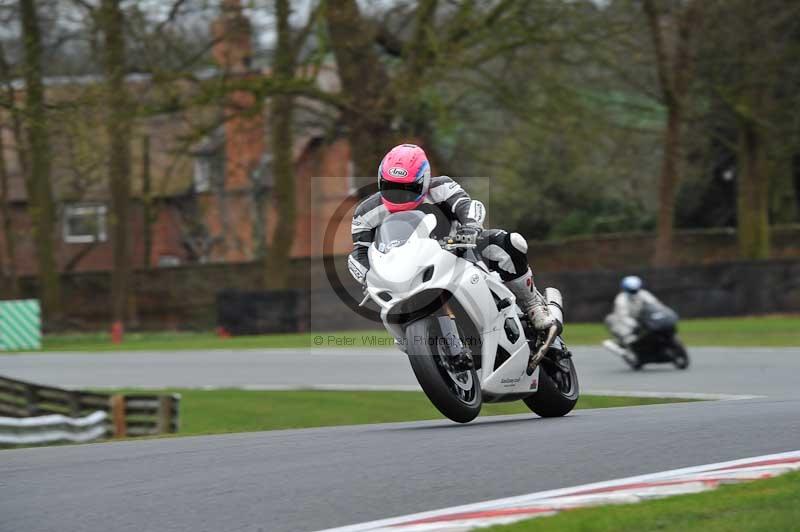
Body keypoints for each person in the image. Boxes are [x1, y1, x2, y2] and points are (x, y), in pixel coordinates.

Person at [347, 143, 555, 330]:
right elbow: (360, 251)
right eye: (391, 187)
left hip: (456, 247)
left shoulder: (442, 187)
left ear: (424, 180)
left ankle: (532, 304)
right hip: (406, 267)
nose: (400, 195)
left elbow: (466, 208)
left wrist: (471, 227)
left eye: (408, 188)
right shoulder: (366, 211)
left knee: (509, 242)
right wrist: (369, 276)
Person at [605, 275, 667, 347]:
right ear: (625, 289)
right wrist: (635, 325)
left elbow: (656, 305)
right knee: (612, 319)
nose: (633, 292)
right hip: (630, 324)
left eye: (635, 290)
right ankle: (625, 341)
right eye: (631, 290)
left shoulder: (644, 294)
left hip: (644, 320)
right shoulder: (621, 299)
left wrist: (662, 314)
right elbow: (623, 316)